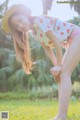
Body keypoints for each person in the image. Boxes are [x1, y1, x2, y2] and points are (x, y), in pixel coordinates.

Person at [2, 4, 80, 120]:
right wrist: (56, 68)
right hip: (72, 40)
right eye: (17, 26)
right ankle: (61, 115)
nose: (20, 25)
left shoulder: (39, 21)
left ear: (25, 15)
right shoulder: (34, 32)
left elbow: (57, 43)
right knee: (61, 76)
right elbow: (47, 49)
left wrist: (59, 66)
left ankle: (62, 116)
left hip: (76, 36)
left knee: (64, 74)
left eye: (20, 20)